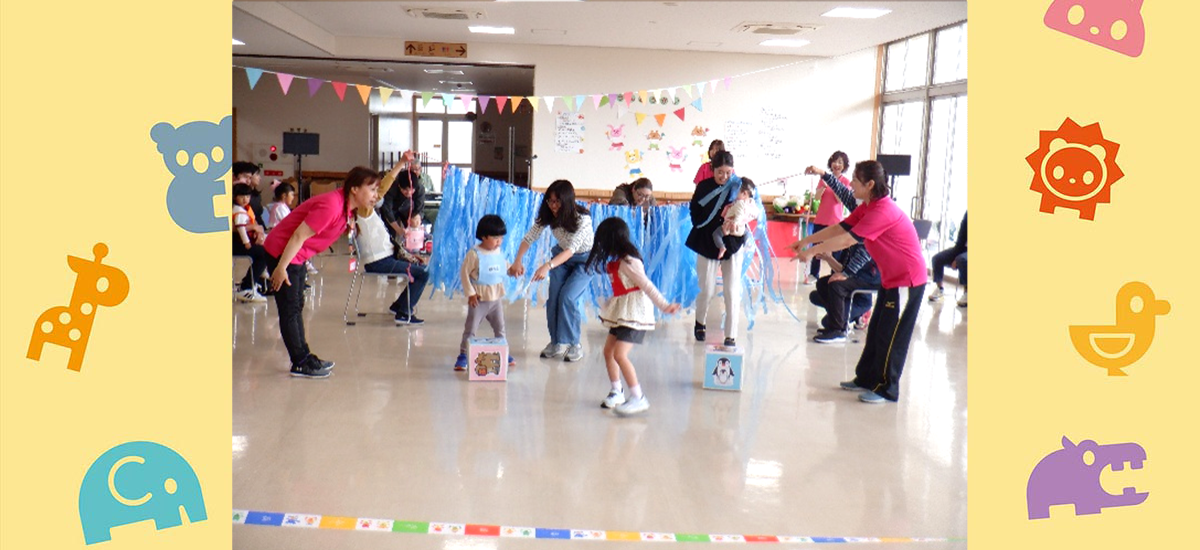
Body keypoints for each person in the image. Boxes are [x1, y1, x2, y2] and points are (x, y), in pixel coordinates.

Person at [791, 160, 927, 403]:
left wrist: (811, 252)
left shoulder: (883, 211)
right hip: (890, 278)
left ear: (870, 184)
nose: (850, 183)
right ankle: (865, 378)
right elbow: (840, 228)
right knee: (875, 330)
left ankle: (887, 389)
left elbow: (846, 240)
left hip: (907, 281)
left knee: (891, 335)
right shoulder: (868, 206)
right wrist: (807, 240)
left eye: (855, 179)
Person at [264, 166, 382, 379]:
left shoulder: (346, 207)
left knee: (297, 306)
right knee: (290, 309)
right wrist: (281, 268)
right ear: (354, 189)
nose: (375, 195)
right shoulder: (332, 205)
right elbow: (299, 236)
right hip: (283, 253)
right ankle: (299, 362)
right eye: (372, 189)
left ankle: (305, 356)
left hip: (296, 256)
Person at [586, 217, 681, 416]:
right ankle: (616, 391)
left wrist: (664, 306)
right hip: (622, 312)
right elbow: (622, 289)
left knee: (620, 354)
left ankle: (638, 397)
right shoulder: (619, 261)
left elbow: (646, 285)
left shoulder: (629, 261)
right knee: (608, 352)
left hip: (635, 314)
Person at [508, 179, 595, 363]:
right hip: (561, 259)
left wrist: (547, 266)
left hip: (584, 260)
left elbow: (572, 249)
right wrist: (517, 261)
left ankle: (574, 344)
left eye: (557, 201)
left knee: (568, 297)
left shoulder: (583, 219)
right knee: (554, 297)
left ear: (567, 201)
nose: (553, 206)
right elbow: (530, 237)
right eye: (550, 201)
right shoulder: (548, 214)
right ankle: (557, 342)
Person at [352, 157, 429, 325]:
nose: (375, 194)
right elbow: (383, 188)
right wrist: (401, 164)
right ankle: (403, 312)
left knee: (421, 268)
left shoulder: (369, 212)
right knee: (424, 274)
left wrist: (408, 256)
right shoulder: (363, 210)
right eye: (371, 190)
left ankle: (398, 306)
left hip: (386, 258)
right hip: (379, 262)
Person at [685, 151, 745, 347]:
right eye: (720, 172)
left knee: (731, 290)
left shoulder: (739, 186)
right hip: (706, 240)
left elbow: (751, 207)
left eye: (728, 172)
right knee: (707, 288)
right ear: (712, 169)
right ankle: (700, 321)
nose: (724, 177)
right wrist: (704, 225)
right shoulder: (703, 187)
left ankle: (731, 334)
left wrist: (736, 223)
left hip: (733, 241)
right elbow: (694, 210)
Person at [456, 214, 515, 371]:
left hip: (496, 300)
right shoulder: (474, 254)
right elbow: (464, 274)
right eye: (495, 238)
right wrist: (470, 293)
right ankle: (463, 355)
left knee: (500, 327)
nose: (499, 242)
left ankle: (503, 351)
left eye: (501, 238)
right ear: (484, 236)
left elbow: (503, 265)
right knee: (471, 328)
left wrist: (512, 270)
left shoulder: (498, 252)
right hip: (479, 300)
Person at [808, 246, 881, 343]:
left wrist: (845, 273)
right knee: (821, 286)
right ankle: (840, 321)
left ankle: (837, 330)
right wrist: (829, 258)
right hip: (855, 283)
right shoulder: (848, 248)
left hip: (866, 290)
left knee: (836, 287)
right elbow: (841, 269)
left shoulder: (859, 240)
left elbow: (864, 254)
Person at [804, 151, 852, 284]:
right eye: (835, 161)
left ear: (844, 166)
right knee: (817, 247)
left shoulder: (845, 181)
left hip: (835, 221)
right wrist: (823, 187)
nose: (837, 164)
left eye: (840, 162)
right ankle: (814, 274)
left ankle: (834, 274)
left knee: (835, 249)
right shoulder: (823, 179)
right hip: (821, 219)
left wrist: (833, 184)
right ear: (830, 163)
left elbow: (839, 199)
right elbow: (817, 198)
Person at [232, 183, 269, 303]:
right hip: (238, 242)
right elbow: (240, 228)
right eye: (242, 196)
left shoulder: (245, 209)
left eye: (247, 196)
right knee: (263, 254)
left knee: (266, 249)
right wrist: (247, 242)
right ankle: (247, 287)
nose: (245, 199)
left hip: (241, 241)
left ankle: (255, 281)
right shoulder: (238, 211)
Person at [380, 152, 428, 244]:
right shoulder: (392, 186)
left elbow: (419, 208)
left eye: (412, 190)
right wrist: (399, 230)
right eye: (405, 190)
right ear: (399, 186)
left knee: (412, 227)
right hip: (392, 208)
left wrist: (417, 218)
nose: (409, 193)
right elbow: (387, 211)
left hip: (407, 208)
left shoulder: (420, 188)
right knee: (390, 233)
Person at [929, 212, 967, 307]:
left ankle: (967, 292)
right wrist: (955, 254)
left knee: (961, 260)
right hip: (962, 249)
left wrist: (957, 259)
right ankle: (940, 288)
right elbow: (961, 237)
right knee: (937, 259)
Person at [713, 178, 757, 260]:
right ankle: (747, 242)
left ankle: (722, 247)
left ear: (744, 193)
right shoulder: (750, 203)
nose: (734, 192)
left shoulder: (740, 203)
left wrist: (735, 223)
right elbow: (754, 214)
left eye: (736, 190)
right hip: (741, 228)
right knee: (746, 232)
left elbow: (739, 214)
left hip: (731, 227)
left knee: (716, 233)